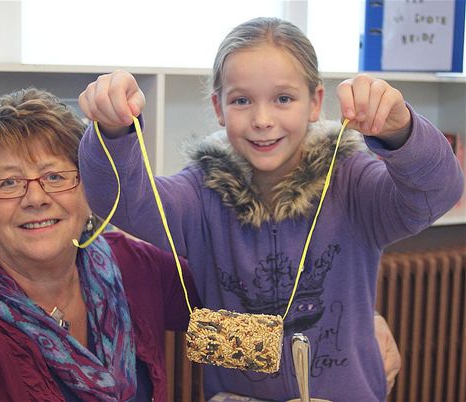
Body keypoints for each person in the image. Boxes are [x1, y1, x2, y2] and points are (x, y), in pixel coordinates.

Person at [77, 17, 463, 401]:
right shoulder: (200, 193)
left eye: (283, 98)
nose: (263, 120)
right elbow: (123, 202)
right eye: (242, 100)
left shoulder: (352, 182)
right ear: (218, 106)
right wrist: (113, 132)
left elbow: (437, 191)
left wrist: (400, 130)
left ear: (314, 102)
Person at [0, 88, 200, 402]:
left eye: (55, 176)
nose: (36, 198)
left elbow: (236, 288)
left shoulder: (133, 264)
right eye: (9, 182)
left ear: (88, 193)